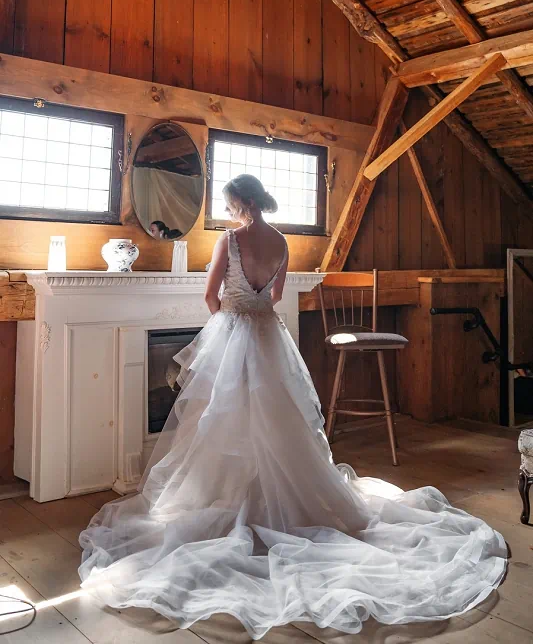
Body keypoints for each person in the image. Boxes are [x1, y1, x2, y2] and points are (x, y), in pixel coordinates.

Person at [79, 174, 507, 640]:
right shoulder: (281, 241)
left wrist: (227, 326)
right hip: (268, 334)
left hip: (235, 328)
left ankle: (229, 499)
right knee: (281, 420)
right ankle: (287, 502)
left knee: (222, 420)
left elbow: (210, 295)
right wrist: (253, 310)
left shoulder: (231, 240)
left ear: (239, 202)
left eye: (227, 203)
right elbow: (277, 296)